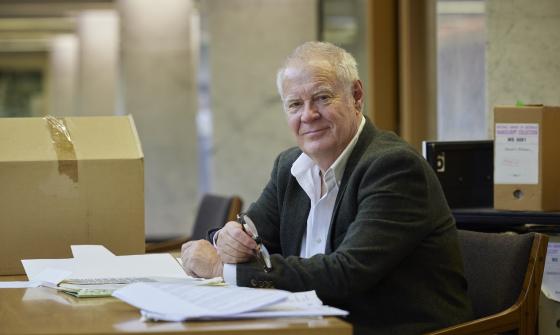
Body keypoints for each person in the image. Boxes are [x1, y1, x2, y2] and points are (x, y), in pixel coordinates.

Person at [181, 41, 472, 335]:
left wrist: (222, 269)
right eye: (295, 104)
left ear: (356, 96)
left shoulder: (394, 167)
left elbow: (347, 273)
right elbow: (254, 233)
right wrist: (225, 237)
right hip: (308, 325)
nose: (307, 115)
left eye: (321, 98)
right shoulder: (290, 166)